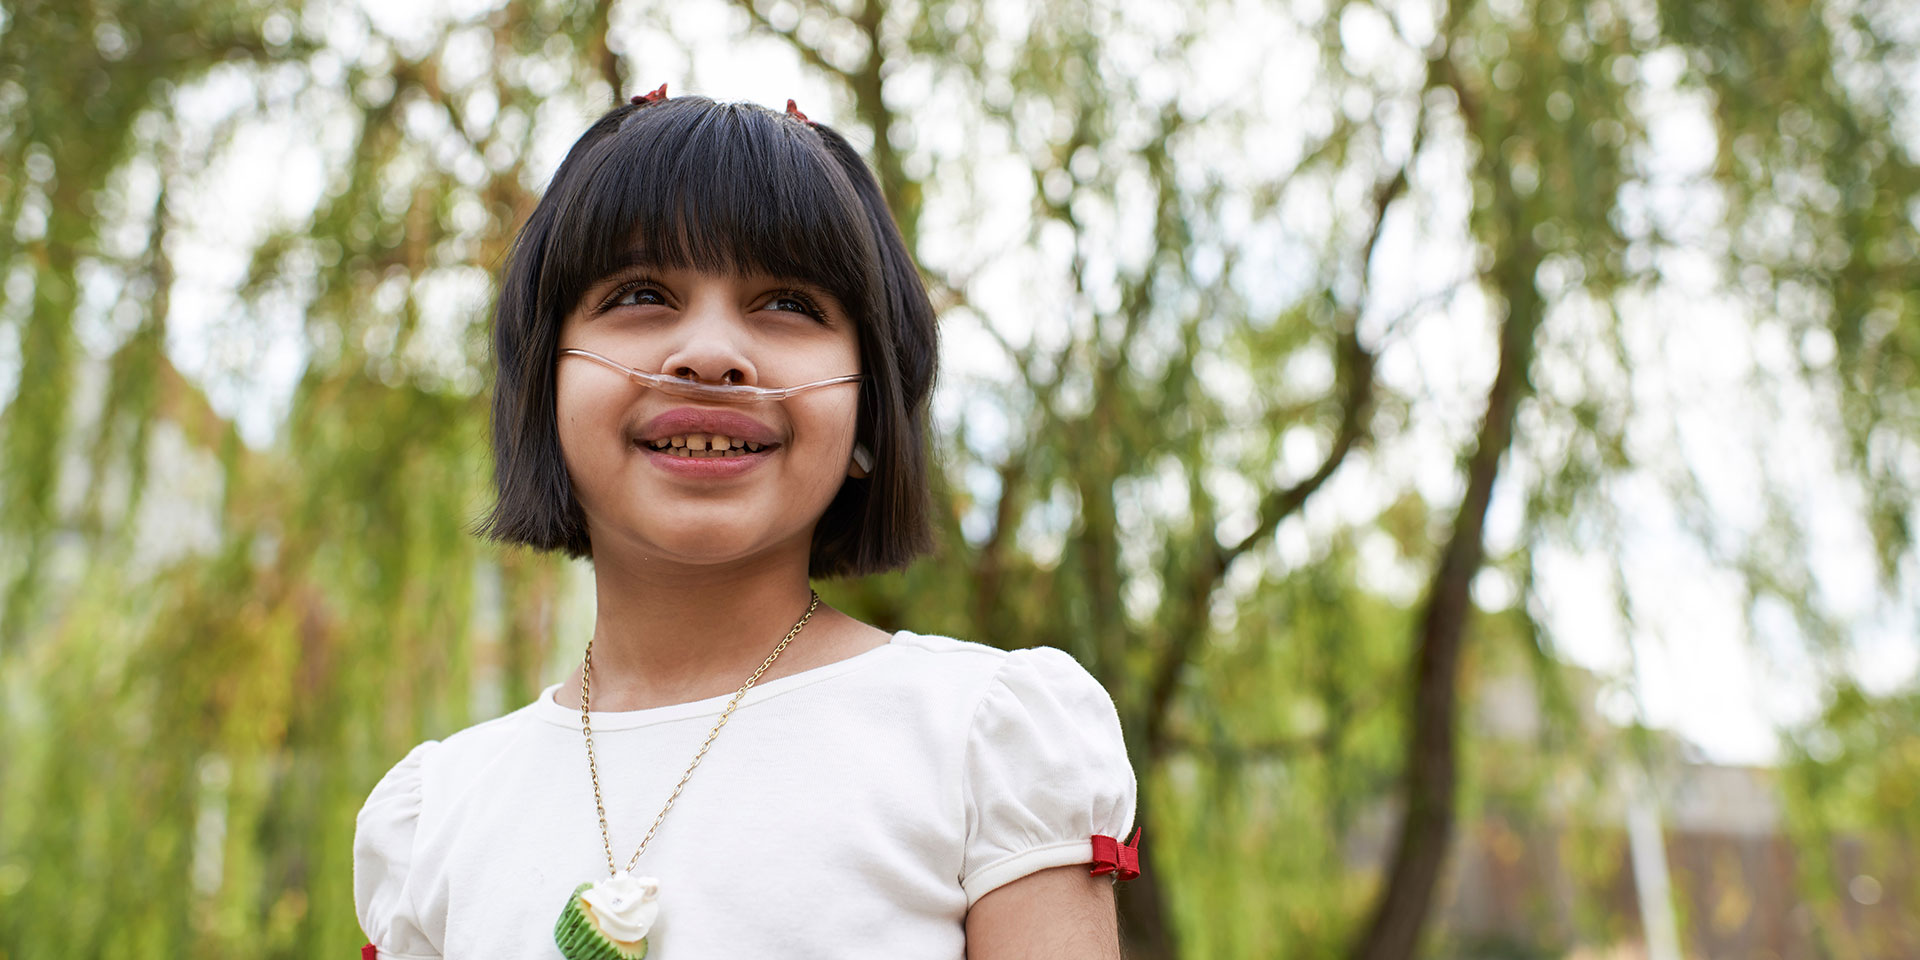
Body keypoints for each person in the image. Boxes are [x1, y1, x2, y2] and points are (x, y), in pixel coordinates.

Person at [352, 87, 1139, 960]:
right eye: (642, 293)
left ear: (868, 408)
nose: (712, 355)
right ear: (545, 384)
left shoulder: (981, 743)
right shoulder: (439, 816)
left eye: (789, 305)